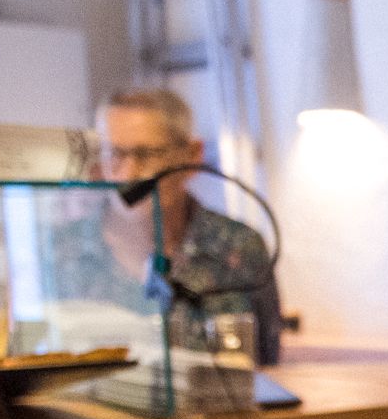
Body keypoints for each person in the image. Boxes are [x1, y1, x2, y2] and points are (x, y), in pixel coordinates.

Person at [48, 86, 284, 365]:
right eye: (115, 154)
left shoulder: (238, 247)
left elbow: (267, 362)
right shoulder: (58, 250)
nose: (130, 173)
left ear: (191, 156)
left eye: (146, 154)